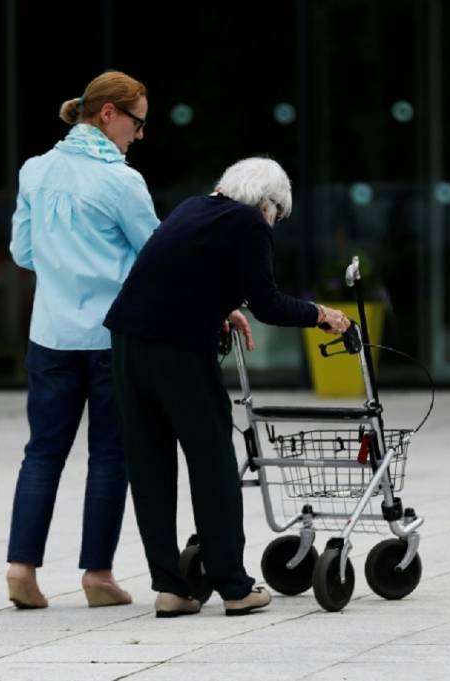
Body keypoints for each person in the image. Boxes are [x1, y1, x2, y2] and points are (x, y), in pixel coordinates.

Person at [104, 157, 350, 617]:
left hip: (127, 343)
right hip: (178, 350)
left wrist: (220, 309)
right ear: (269, 204)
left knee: (150, 463)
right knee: (213, 459)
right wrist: (322, 315)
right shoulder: (249, 222)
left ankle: (170, 588)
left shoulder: (192, 207)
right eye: (277, 215)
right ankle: (235, 587)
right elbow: (269, 303)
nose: (274, 223)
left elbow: (177, 273)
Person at [5, 70, 158, 609]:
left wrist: (63, 258)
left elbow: (23, 253)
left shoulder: (35, 170)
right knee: (110, 455)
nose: (139, 135)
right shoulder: (121, 182)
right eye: (137, 122)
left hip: (49, 330)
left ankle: (21, 567)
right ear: (109, 114)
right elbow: (156, 256)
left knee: (42, 453)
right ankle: (97, 575)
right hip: (108, 335)